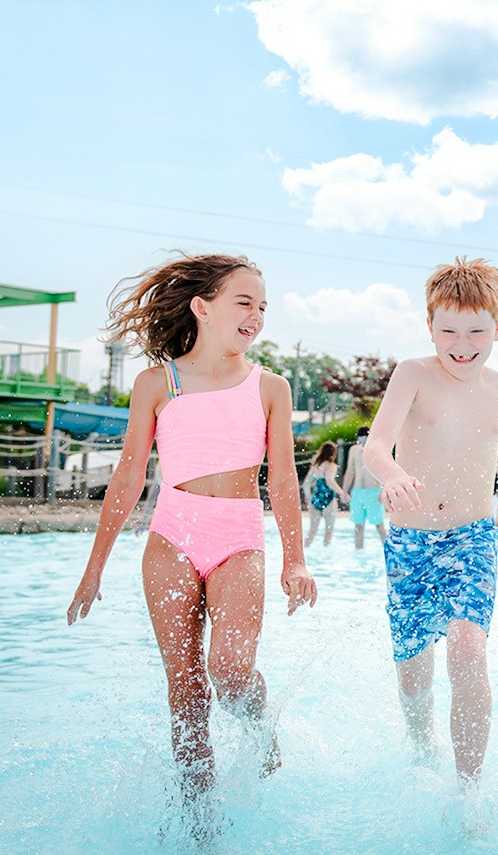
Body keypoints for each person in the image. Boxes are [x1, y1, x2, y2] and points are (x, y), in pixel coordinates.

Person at [66, 254, 317, 800]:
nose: (256, 315)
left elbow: (282, 481)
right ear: (202, 307)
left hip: (239, 537)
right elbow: (129, 476)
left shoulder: (270, 387)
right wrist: (94, 569)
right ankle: (198, 820)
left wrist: (295, 557)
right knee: (186, 692)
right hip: (172, 535)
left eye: (263, 307)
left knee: (229, 673)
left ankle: (259, 724)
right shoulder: (158, 383)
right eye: (244, 303)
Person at [363, 257, 498, 785]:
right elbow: (375, 445)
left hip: (473, 537)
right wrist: (391, 475)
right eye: (449, 331)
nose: (463, 344)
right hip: (411, 539)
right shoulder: (414, 374)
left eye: (477, 331)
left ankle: (469, 789)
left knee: (466, 650)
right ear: (430, 327)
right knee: (415, 678)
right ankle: (421, 744)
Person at [341, 426, 388, 549]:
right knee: (358, 526)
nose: (362, 440)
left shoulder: (376, 451)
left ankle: (389, 550)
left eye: (364, 437)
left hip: (374, 492)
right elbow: (350, 471)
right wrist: (344, 491)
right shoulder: (354, 450)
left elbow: (384, 471)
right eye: (360, 438)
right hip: (357, 492)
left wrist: (383, 490)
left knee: (379, 526)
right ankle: (358, 552)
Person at [302, 441, 347, 547]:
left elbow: (306, 484)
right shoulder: (332, 466)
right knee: (329, 531)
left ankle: (304, 550)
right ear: (333, 453)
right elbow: (330, 481)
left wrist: (309, 498)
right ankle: (326, 552)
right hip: (329, 499)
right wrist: (342, 492)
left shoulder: (315, 466)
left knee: (312, 531)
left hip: (316, 498)